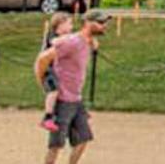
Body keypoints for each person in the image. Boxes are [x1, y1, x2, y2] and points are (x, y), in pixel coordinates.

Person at [36, 10, 111, 164]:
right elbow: (43, 59)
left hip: (76, 100)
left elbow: (88, 42)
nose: (104, 26)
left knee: (83, 139)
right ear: (88, 23)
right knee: (56, 146)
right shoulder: (72, 42)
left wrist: (92, 42)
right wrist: (43, 82)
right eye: (100, 22)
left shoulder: (86, 41)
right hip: (62, 100)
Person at [37, 11, 73, 132]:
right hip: (48, 69)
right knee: (53, 91)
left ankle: (74, 111)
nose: (71, 27)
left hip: (59, 70)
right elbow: (55, 43)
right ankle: (47, 117)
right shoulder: (53, 37)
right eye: (69, 24)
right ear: (60, 25)